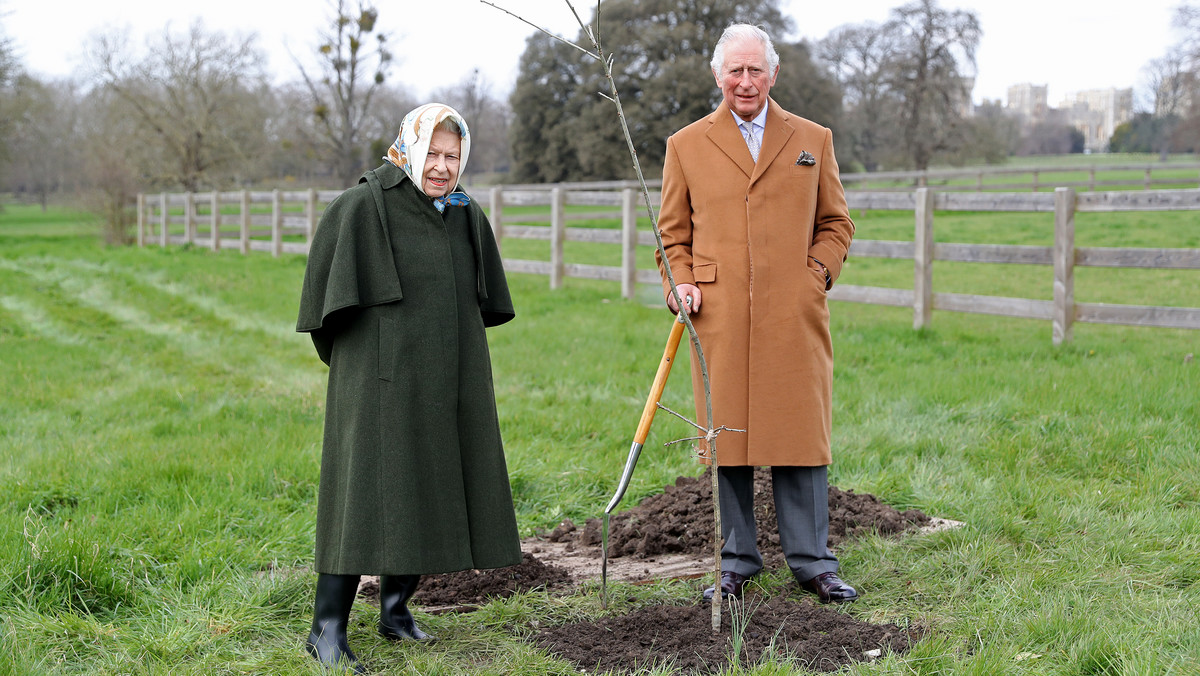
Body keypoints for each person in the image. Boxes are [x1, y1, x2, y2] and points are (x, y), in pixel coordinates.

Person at [296, 103, 522, 672]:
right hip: (378, 381)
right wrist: (365, 368)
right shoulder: (360, 207)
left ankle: (396, 611)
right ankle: (326, 630)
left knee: (428, 482)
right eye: (435, 154)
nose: (443, 167)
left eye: (453, 156)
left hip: (450, 376)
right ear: (410, 146)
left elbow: (484, 300)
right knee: (362, 495)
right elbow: (325, 313)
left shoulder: (464, 215)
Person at [656, 24, 858, 604]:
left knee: (799, 433)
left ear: (774, 74)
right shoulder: (686, 144)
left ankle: (813, 562)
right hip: (717, 315)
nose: (745, 82)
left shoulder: (811, 140)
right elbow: (672, 236)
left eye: (756, 70)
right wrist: (684, 284)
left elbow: (837, 223)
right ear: (718, 76)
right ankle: (736, 560)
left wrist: (814, 275)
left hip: (793, 313)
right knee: (729, 437)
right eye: (734, 71)